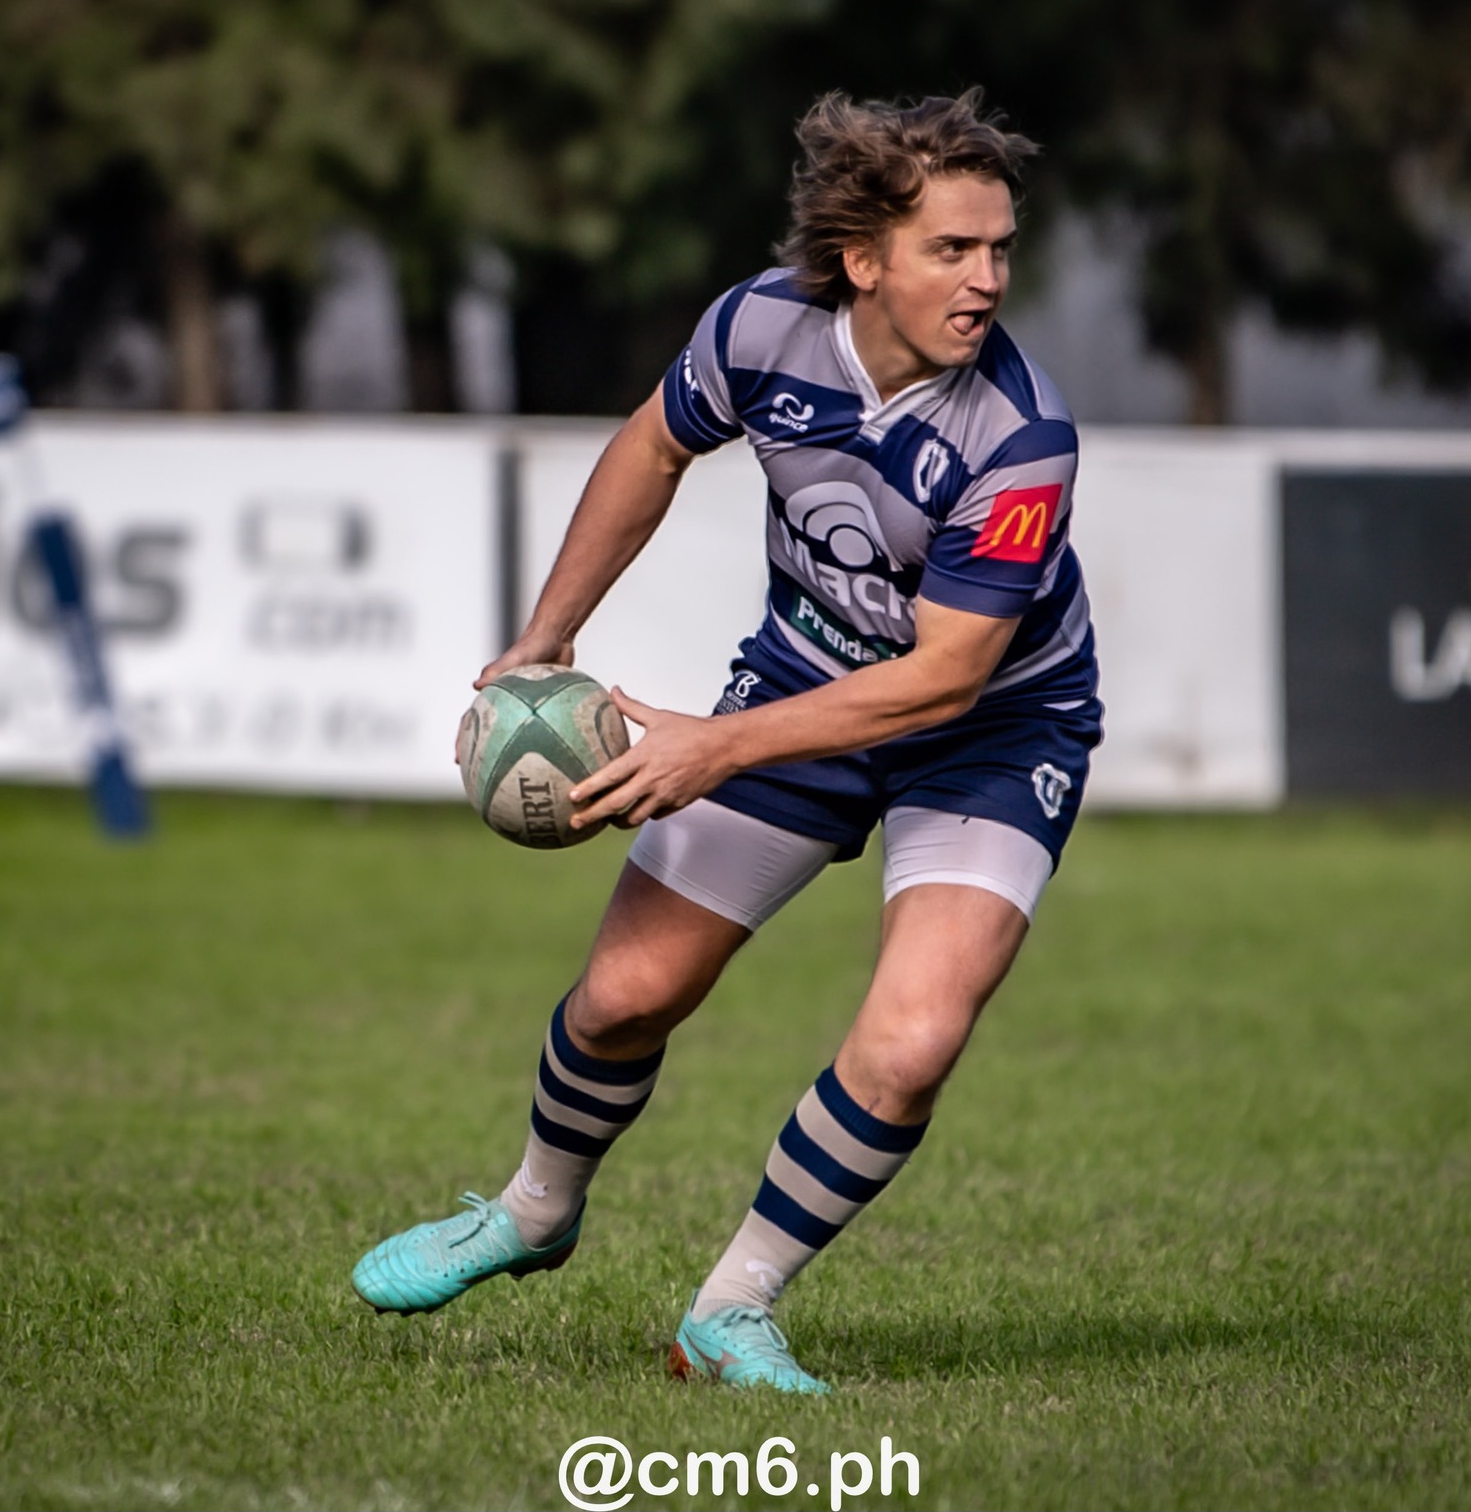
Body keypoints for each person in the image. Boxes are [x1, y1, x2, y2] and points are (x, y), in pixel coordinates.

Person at [351, 89, 1102, 1393]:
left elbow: (944, 679)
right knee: (627, 994)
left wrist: (719, 745)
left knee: (917, 1036)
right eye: (953, 249)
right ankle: (533, 1210)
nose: (987, 280)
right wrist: (547, 637)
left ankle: (733, 1305)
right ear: (865, 257)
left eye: (1000, 251)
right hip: (805, 680)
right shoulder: (760, 327)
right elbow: (653, 447)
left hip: (992, 730)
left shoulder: (1019, 441)